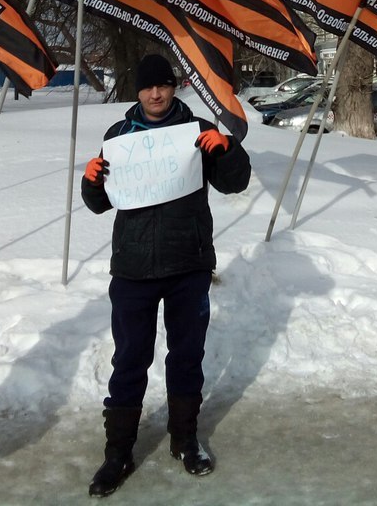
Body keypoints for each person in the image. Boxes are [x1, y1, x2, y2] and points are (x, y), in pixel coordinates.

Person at [81, 52, 252, 497]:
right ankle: (117, 453)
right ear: (137, 91)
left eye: (163, 85)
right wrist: (91, 180)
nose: (155, 93)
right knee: (130, 361)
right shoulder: (118, 137)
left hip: (187, 266)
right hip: (134, 270)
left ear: (174, 86)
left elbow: (234, 184)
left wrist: (228, 150)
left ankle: (184, 440)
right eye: (147, 87)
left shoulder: (196, 132)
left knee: (186, 356)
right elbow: (100, 203)